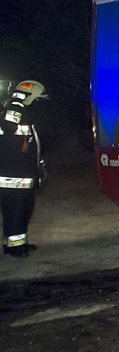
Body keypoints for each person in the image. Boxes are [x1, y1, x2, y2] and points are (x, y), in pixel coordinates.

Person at [0, 80, 46, 258]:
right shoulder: (14, 110)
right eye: (37, 99)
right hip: (15, 177)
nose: (38, 104)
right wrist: (18, 103)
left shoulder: (19, 112)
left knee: (16, 212)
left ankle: (13, 244)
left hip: (18, 175)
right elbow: (9, 126)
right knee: (17, 212)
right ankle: (17, 248)